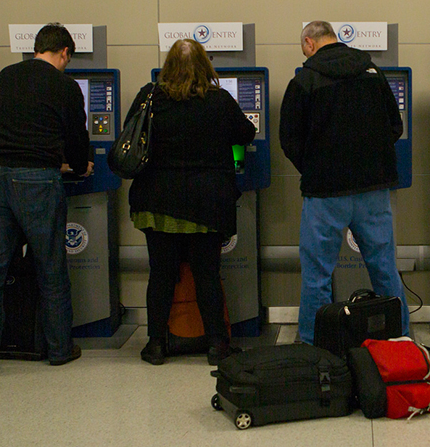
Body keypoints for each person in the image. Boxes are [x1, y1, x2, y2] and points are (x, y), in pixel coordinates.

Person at [0, 23, 93, 377]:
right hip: (36, 180)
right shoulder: (66, 86)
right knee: (50, 265)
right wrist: (77, 164)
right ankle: (59, 349)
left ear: (35, 48)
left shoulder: (6, 75)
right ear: (64, 53)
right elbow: (76, 138)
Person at [279, 21, 410, 345]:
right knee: (383, 268)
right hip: (373, 189)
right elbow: (395, 126)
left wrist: (315, 167)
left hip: (325, 193)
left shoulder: (304, 80)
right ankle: (399, 339)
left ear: (309, 43)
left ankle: (313, 344)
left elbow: (289, 139)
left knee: (317, 274)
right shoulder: (372, 73)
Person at [127, 39, 256, 366]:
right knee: (207, 273)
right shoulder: (219, 101)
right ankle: (216, 345)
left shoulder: (150, 96)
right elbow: (246, 133)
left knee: (161, 274)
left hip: (158, 202)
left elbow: (131, 133)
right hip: (205, 203)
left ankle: (156, 344)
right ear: (205, 66)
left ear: (168, 65)